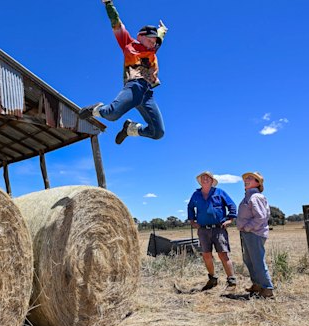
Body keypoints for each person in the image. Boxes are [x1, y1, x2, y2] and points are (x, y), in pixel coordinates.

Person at [79, 0, 167, 145]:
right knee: (112, 114)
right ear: (141, 37)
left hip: (147, 94)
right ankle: (95, 109)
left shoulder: (152, 49)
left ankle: (130, 129)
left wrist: (163, 30)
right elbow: (117, 24)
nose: (153, 44)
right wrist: (108, 4)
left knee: (158, 132)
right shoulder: (129, 44)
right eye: (151, 41)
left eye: (155, 42)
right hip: (134, 86)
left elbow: (160, 39)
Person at [187, 171, 238, 291]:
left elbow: (232, 205)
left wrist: (230, 219)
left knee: (223, 254)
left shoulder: (220, 192)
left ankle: (231, 281)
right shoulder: (196, 194)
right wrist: (192, 221)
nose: (205, 179)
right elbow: (190, 207)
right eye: (203, 178)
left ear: (212, 181)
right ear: (200, 181)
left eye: (207, 178)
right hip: (203, 230)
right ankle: (212, 279)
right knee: (206, 255)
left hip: (219, 229)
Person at [236, 172, 274, 298]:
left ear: (258, 183)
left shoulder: (255, 197)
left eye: (250, 178)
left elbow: (261, 217)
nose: (246, 180)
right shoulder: (248, 196)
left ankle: (267, 289)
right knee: (249, 260)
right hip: (248, 233)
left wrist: (247, 227)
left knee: (257, 260)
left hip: (254, 233)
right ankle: (257, 285)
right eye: (246, 178)